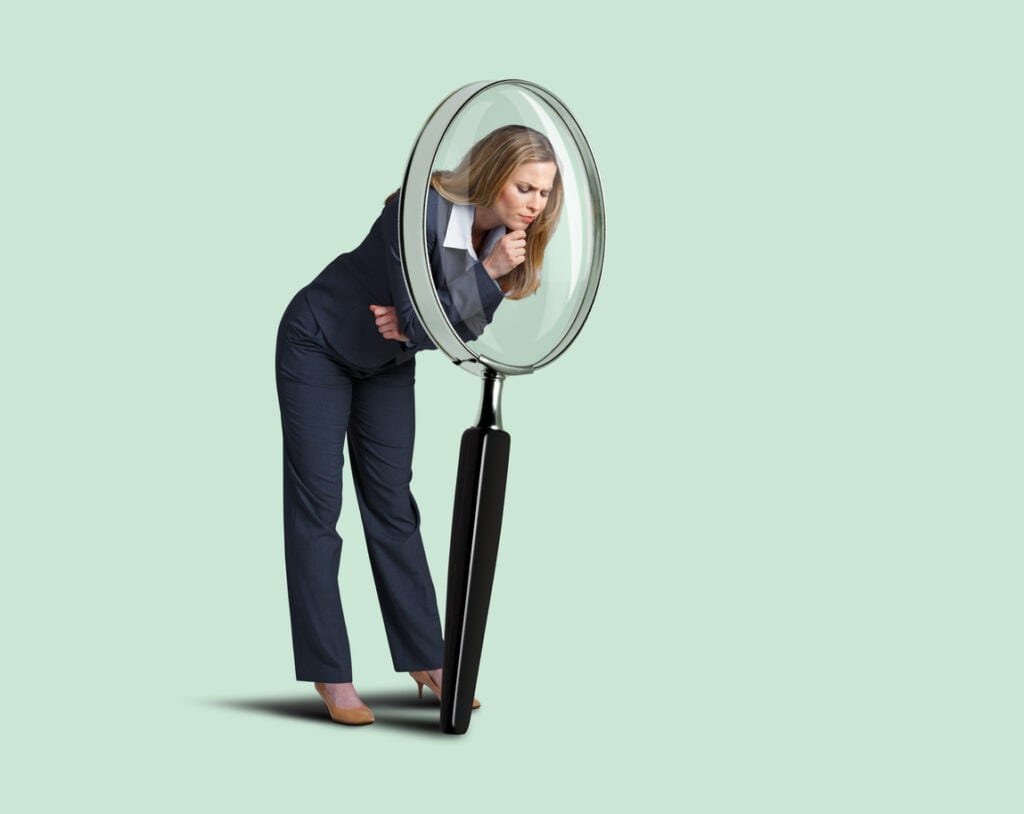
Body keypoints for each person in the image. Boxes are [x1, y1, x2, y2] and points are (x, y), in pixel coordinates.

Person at [275, 124, 563, 725]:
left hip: (386, 362)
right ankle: (332, 672)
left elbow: (452, 331)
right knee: (318, 509)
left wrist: (429, 317)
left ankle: (426, 658)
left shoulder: (503, 241)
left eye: (545, 192)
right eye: (525, 187)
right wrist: (472, 284)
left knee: (394, 508)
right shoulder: (419, 207)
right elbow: (418, 313)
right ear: (491, 172)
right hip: (318, 342)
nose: (536, 205)